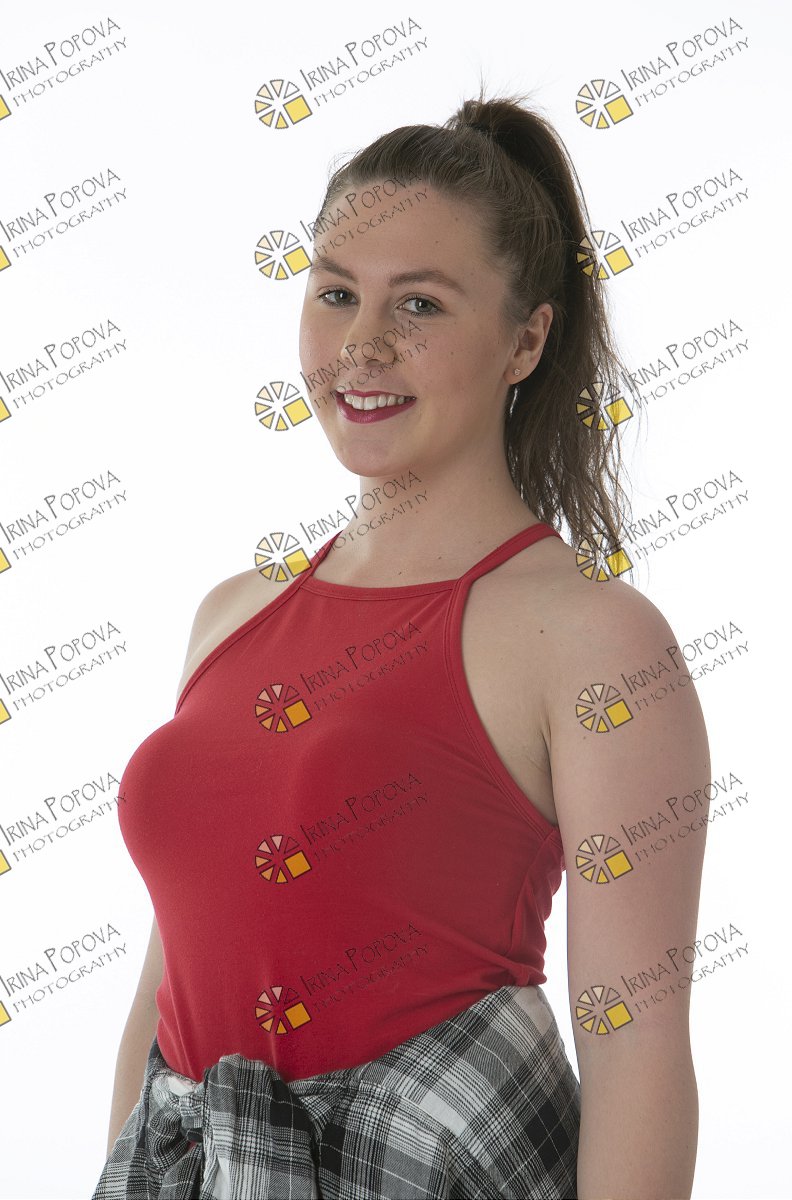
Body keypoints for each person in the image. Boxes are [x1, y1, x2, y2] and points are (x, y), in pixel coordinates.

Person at [92, 83, 709, 1199]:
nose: (361, 345)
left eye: (419, 305)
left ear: (525, 340)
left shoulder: (590, 637)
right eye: (336, 294)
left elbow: (636, 1046)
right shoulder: (231, 615)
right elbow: (169, 977)